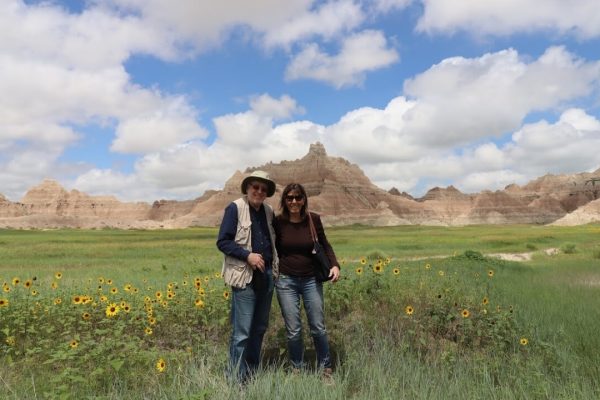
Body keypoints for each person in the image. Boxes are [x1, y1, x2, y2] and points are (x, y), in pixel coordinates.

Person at [216, 170, 279, 383]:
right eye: (255, 187)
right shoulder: (235, 208)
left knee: (260, 328)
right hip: (244, 276)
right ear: (248, 188)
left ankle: (251, 373)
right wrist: (247, 256)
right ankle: (235, 379)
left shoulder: (269, 211)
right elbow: (223, 241)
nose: (259, 192)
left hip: (267, 275)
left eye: (263, 189)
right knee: (242, 332)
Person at [274, 182, 340, 378]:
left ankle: (325, 369)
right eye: (290, 198)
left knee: (318, 326)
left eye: (298, 197)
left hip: (311, 279)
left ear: (304, 200)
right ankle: (297, 368)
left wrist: (335, 265)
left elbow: (325, 244)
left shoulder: (314, 219)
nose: (294, 201)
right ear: (284, 201)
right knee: (293, 329)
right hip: (286, 281)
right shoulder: (278, 222)